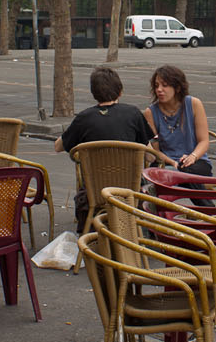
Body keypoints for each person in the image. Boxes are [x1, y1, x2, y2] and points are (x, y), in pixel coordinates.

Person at [55, 66, 156, 234]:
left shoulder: (84, 118)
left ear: (93, 93)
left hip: (96, 193)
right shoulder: (133, 114)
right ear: (120, 91)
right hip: (129, 191)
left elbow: (58, 147)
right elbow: (151, 157)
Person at [141, 63, 213, 177]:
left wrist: (192, 157)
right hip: (165, 162)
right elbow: (155, 151)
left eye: (164, 85)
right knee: (161, 175)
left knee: (187, 172)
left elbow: (204, 141)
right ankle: (204, 194)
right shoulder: (150, 112)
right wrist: (172, 162)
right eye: (156, 86)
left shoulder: (194, 104)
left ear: (178, 88)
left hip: (195, 160)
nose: (159, 90)